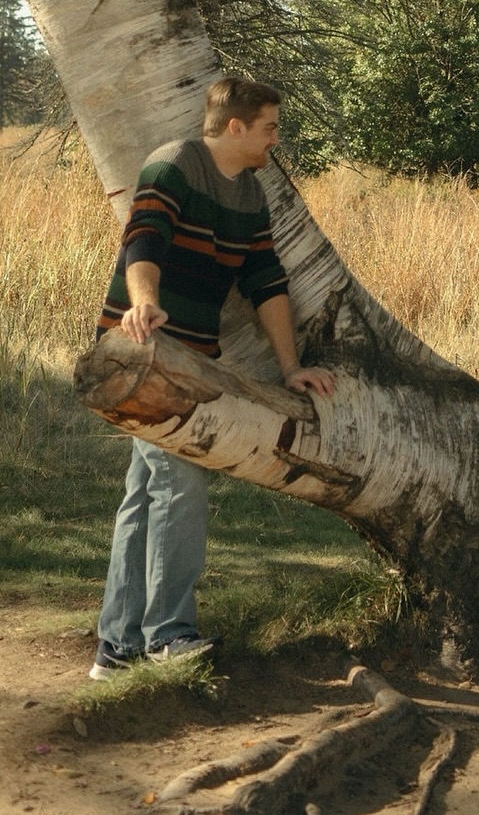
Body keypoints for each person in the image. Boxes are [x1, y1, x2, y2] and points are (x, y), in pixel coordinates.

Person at [88, 77, 337, 681]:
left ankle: (117, 647)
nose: (275, 140)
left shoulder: (249, 192)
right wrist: (143, 305)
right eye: (269, 128)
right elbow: (143, 239)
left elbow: (265, 280)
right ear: (236, 127)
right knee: (180, 484)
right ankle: (168, 636)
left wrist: (291, 368)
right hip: (144, 354)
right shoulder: (174, 165)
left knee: (146, 492)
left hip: (193, 358)